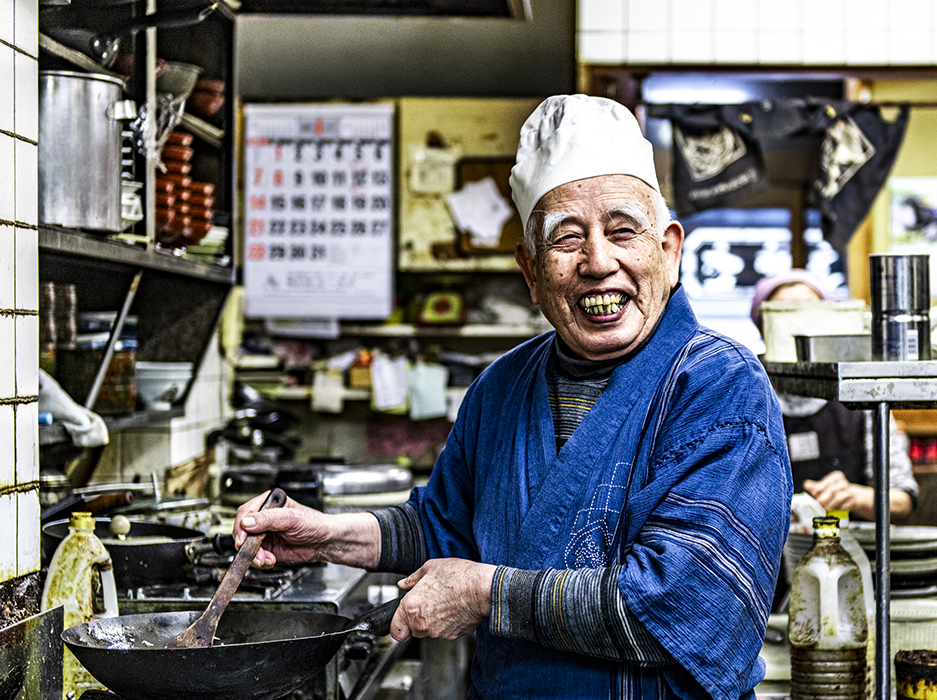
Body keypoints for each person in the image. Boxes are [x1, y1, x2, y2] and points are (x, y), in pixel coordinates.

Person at [234, 94, 793, 700]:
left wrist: (486, 595)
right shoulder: (502, 386)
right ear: (530, 273)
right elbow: (445, 528)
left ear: (669, 250)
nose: (597, 262)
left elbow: (684, 607)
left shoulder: (719, 387)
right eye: (567, 239)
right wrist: (327, 536)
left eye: (622, 231)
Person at [750, 269, 918, 522]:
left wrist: (853, 495)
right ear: (763, 327)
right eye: (784, 315)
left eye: (809, 314)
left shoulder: (861, 393)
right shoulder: (744, 396)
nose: (798, 327)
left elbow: (902, 499)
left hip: (849, 551)